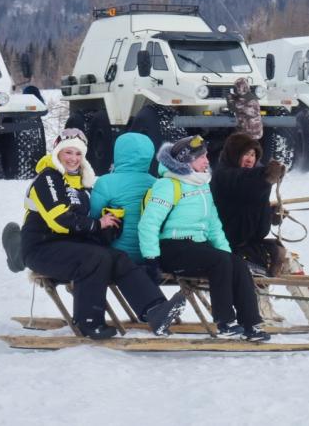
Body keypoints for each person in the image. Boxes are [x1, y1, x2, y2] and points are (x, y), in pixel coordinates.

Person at [13, 128, 186, 340]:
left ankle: (155, 309)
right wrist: (97, 224)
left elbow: (90, 218)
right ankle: (89, 322)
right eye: (68, 152)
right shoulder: (49, 178)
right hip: (42, 247)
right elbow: (59, 219)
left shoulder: (84, 184)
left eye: (78, 154)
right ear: (57, 152)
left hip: (71, 247)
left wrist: (110, 222)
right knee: (95, 258)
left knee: (118, 258)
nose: (74, 159)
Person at [139, 135, 271, 342]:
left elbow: (214, 226)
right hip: (171, 248)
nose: (207, 161)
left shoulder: (201, 186)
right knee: (219, 261)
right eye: (202, 157)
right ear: (187, 160)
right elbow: (149, 224)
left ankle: (250, 323)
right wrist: (151, 258)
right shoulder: (168, 185)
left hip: (197, 248)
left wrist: (227, 253)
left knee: (237, 262)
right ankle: (225, 322)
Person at [210, 132, 309, 328]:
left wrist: (270, 213)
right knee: (258, 263)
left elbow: (249, 205)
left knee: (286, 259)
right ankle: (265, 314)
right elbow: (244, 185)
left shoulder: (248, 177)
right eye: (245, 154)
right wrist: (265, 176)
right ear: (233, 154)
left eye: (253, 154)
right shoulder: (224, 176)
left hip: (247, 243)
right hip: (228, 247)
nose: (250, 159)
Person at [89, 132, 158, 277]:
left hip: (118, 255)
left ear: (119, 153)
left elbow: (93, 217)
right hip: (150, 255)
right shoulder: (156, 183)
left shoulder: (106, 182)